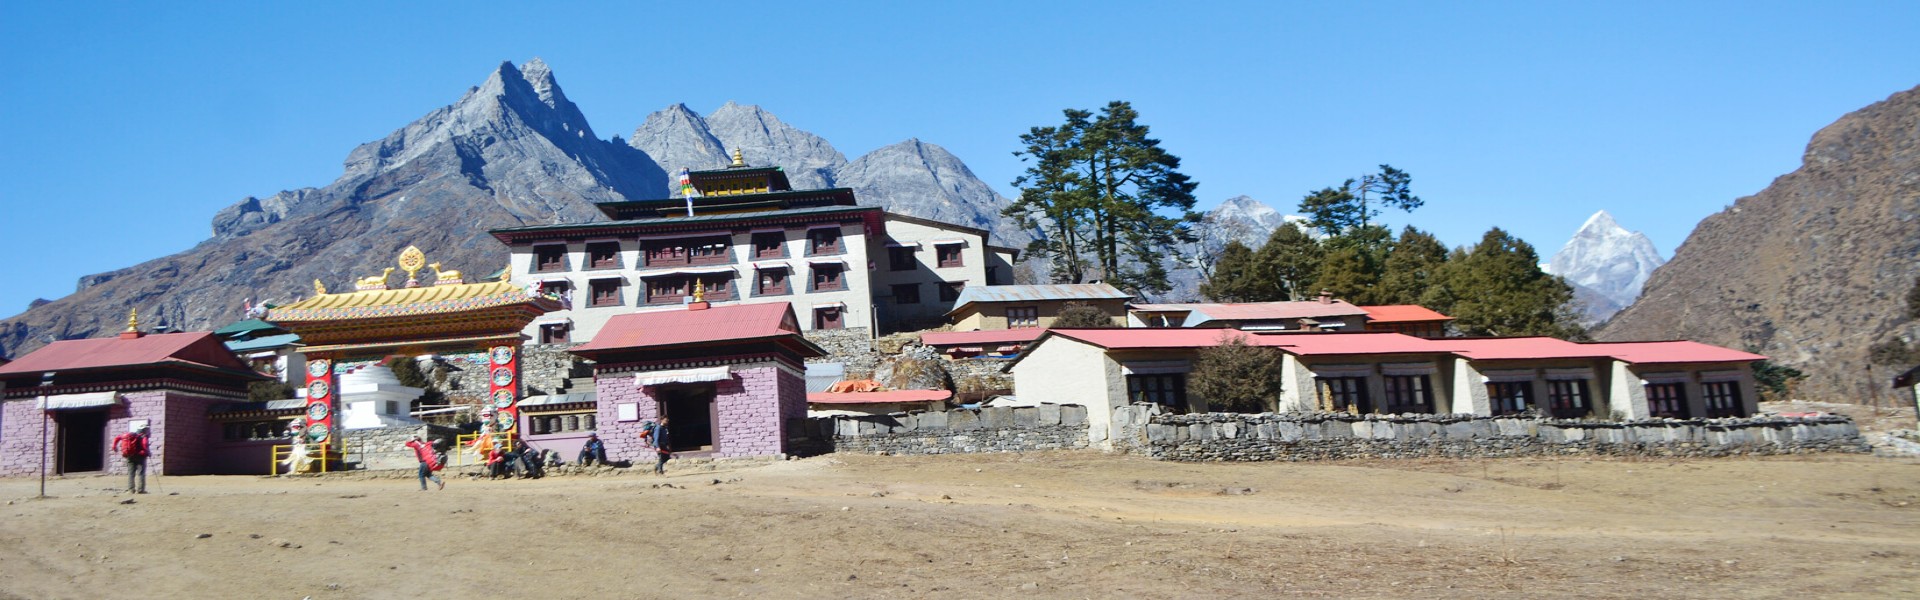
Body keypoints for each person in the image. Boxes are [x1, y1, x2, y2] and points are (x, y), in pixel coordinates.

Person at [111, 424, 151, 494]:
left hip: (130, 456)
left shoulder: (130, 436)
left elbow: (117, 438)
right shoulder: (143, 436)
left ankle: (131, 490)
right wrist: (148, 452)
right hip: (140, 457)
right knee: (141, 473)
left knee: (131, 473)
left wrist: (114, 446)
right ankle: (141, 490)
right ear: (144, 430)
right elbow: (144, 444)